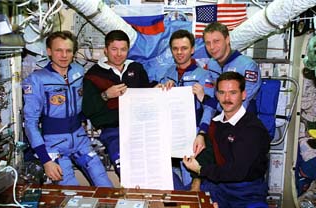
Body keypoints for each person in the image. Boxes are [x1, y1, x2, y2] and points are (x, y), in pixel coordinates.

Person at [22, 31, 113, 187]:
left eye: (68, 51)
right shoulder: (37, 80)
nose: (64, 55)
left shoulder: (78, 71)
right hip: (53, 145)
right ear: (49, 52)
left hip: (79, 139)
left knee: (105, 185)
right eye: (58, 50)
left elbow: (85, 103)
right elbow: (30, 123)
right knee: (71, 194)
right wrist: (46, 160)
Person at [183, 71, 270, 208]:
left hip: (248, 193)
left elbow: (237, 172)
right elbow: (208, 154)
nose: (227, 98)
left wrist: (201, 169)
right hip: (220, 187)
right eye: (222, 93)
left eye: (233, 93)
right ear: (217, 95)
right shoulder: (216, 123)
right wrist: (196, 182)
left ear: (243, 95)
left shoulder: (253, 129)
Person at [82, 30, 157, 177]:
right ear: (105, 50)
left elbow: (146, 93)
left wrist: (157, 88)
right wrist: (105, 95)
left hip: (140, 128)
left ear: (128, 50)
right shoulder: (93, 75)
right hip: (113, 131)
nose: (118, 54)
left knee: (153, 168)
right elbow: (87, 110)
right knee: (127, 171)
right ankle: (134, 198)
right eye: (114, 49)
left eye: (123, 49)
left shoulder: (136, 68)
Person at [160, 29, 216, 187]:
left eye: (184, 48)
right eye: (175, 48)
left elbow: (210, 108)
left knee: (190, 178)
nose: (179, 52)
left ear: (192, 50)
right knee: (166, 179)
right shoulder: (168, 73)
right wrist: (160, 90)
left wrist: (202, 133)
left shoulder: (203, 75)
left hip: (192, 134)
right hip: (170, 133)